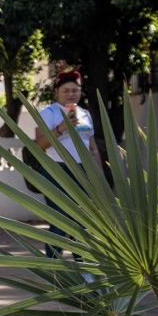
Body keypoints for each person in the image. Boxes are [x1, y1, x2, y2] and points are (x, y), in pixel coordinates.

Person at [34, 70, 99, 260]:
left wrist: (98, 176)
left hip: (82, 171)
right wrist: (62, 128)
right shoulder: (49, 113)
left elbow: (92, 148)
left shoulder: (85, 114)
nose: (71, 94)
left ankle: (85, 271)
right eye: (66, 90)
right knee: (60, 220)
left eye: (75, 90)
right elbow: (39, 144)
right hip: (57, 170)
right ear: (57, 93)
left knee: (85, 222)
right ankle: (54, 271)